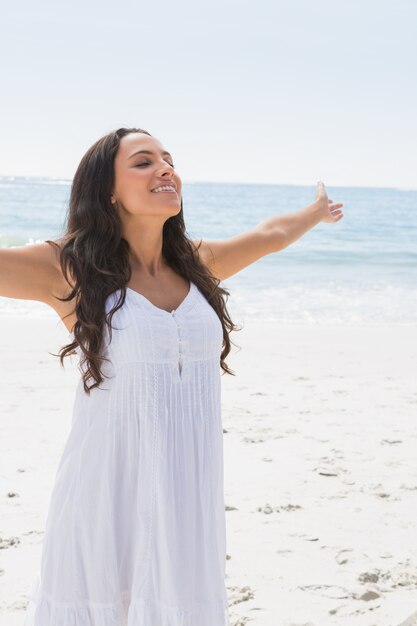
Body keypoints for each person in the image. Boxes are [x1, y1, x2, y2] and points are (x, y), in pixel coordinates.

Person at [0, 127, 344, 625]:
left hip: (186, 500)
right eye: (143, 162)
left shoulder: (196, 263)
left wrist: (314, 213)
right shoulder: (68, 268)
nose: (165, 169)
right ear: (108, 190)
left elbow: (270, 237)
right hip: (105, 496)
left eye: (169, 159)